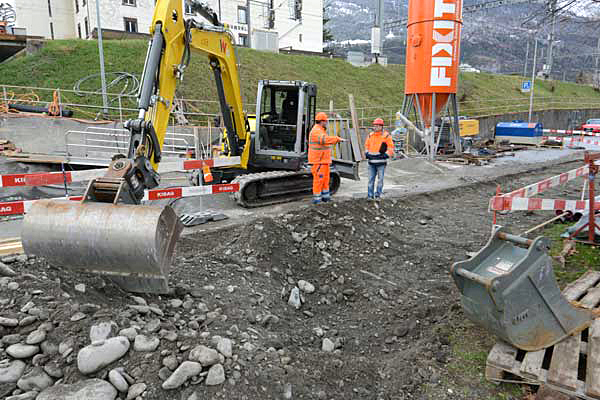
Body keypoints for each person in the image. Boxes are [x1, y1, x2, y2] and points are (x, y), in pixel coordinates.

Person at [308, 112, 345, 204]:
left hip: (323, 161)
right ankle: (317, 200)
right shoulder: (316, 131)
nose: (327, 123)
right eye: (325, 121)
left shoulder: (320, 130)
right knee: (319, 180)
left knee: (325, 180)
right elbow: (325, 140)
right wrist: (337, 139)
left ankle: (326, 197)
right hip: (318, 161)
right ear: (322, 121)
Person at [364, 118, 394, 200]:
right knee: (370, 180)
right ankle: (370, 196)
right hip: (371, 162)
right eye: (374, 125)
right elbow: (366, 146)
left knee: (380, 180)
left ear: (381, 126)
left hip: (381, 162)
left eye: (377, 125)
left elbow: (391, 148)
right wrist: (366, 153)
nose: (376, 127)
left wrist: (385, 155)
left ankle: (378, 195)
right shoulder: (370, 135)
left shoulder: (386, 136)